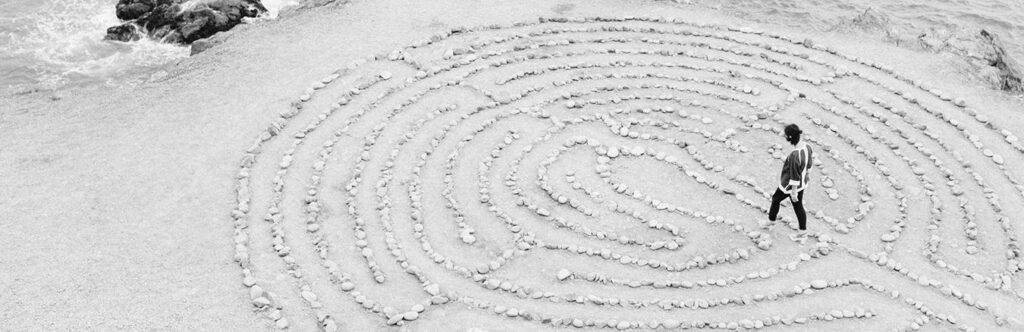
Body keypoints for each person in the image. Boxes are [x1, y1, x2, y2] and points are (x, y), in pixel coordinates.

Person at [768, 124, 813, 239]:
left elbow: (794, 174)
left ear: (790, 138)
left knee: (776, 199)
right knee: (798, 206)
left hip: (789, 185)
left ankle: (771, 221)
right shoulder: (807, 146)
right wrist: (807, 174)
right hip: (802, 183)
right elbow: (809, 163)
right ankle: (802, 231)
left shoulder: (795, 155)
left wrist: (793, 192)